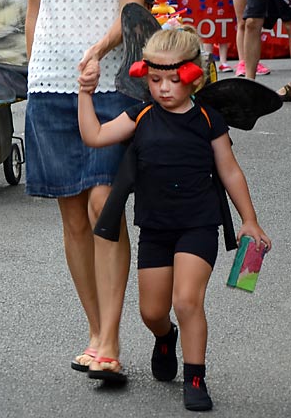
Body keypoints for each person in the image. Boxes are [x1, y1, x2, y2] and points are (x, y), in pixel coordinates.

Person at [16, 0, 149, 381]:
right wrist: (31, 62)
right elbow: (34, 6)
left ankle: (113, 340)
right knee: (73, 215)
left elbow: (132, 9)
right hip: (49, 85)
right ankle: (94, 332)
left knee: (103, 207)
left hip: (111, 84)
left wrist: (98, 50)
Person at [78, 26, 271, 412]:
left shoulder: (208, 118)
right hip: (155, 228)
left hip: (198, 224)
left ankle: (195, 376)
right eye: (154, 79)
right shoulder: (141, 114)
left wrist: (250, 219)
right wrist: (85, 93)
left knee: (187, 300)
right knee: (152, 312)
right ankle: (165, 338)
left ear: (193, 76)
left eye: (172, 79)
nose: (163, 88)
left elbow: (230, 171)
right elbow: (95, 136)